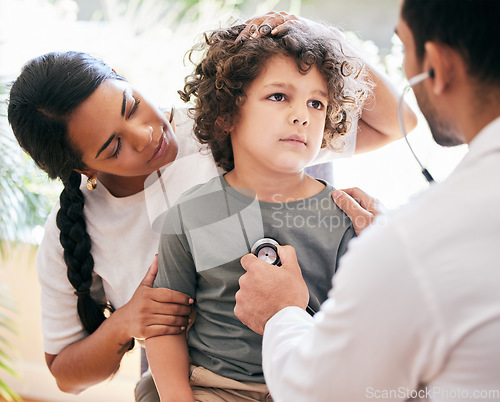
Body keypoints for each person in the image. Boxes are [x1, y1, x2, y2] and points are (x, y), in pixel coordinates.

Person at [6, 13, 415, 402]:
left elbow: (398, 122)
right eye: (114, 146)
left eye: (130, 105)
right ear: (82, 169)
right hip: (194, 380)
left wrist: (306, 34)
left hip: (302, 361)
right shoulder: (70, 233)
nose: (146, 134)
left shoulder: (232, 121)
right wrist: (125, 323)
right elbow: (64, 372)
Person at [234, 0, 500, 400]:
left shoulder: (414, 244)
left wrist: (283, 313)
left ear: (438, 67)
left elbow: (321, 392)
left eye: (404, 48)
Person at [146, 20, 370, 401]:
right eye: (279, 96)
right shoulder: (195, 212)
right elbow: (164, 327)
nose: (302, 115)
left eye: (316, 103)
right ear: (227, 113)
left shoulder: (346, 216)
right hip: (214, 388)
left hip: (308, 387)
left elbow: (359, 331)